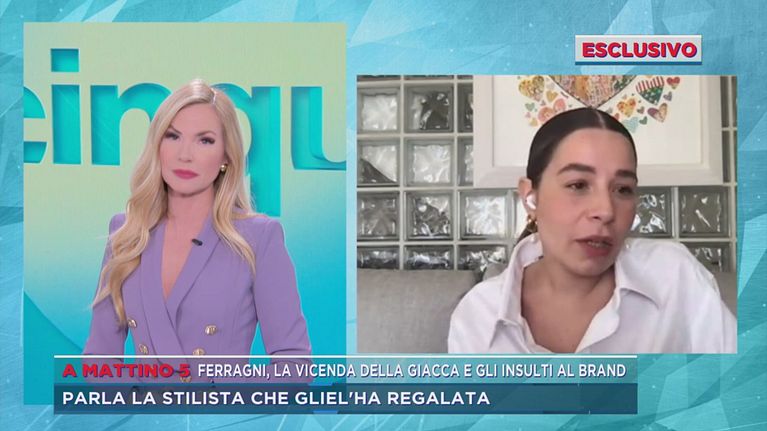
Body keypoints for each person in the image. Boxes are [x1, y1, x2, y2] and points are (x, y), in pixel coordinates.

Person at [449, 107, 736, 354]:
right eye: (578, 185)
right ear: (530, 197)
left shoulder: (675, 277)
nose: (606, 210)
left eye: (623, 189)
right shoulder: (480, 314)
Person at [84, 79, 311, 381]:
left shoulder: (258, 238)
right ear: (157, 146)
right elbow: (98, 360)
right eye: (173, 136)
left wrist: (217, 396)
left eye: (204, 140)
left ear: (226, 157)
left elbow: (295, 366)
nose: (185, 155)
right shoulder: (127, 232)